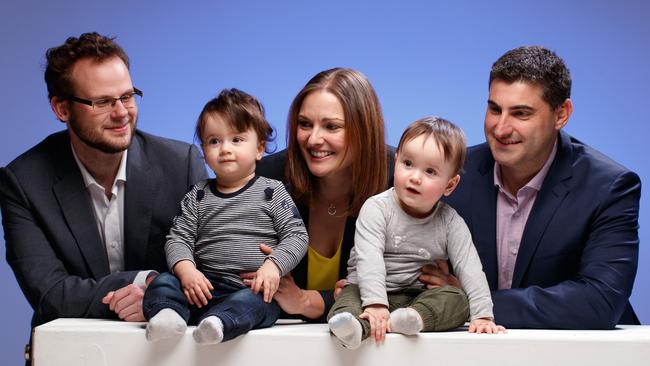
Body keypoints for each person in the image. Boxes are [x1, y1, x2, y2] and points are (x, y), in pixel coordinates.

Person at [0, 32, 207, 360]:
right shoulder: (23, 182)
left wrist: (159, 299)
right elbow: (51, 294)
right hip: (73, 354)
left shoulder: (181, 165)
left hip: (167, 355)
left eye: (128, 96)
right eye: (102, 102)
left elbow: (210, 271)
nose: (122, 113)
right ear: (61, 108)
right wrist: (148, 282)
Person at [439, 46, 641, 329]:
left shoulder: (609, 187)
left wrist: (471, 300)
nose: (501, 128)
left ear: (561, 114)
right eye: (495, 109)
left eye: (521, 113)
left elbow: (600, 300)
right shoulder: (452, 174)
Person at [143, 88, 308, 344]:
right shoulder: (198, 194)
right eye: (214, 141)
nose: (225, 149)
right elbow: (178, 239)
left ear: (259, 148)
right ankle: (168, 315)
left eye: (237, 139)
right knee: (163, 281)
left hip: (248, 289)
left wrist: (273, 266)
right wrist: (186, 271)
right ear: (204, 150)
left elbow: (296, 236)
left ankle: (219, 324)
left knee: (261, 304)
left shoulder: (271, 192)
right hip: (201, 289)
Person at [327, 117, 505, 349]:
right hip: (366, 289)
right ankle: (354, 329)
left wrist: (483, 315)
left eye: (430, 171)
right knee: (346, 303)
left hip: (416, 294)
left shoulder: (450, 222)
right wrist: (376, 303)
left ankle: (413, 319)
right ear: (396, 160)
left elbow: (469, 267)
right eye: (408, 164)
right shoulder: (377, 208)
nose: (415, 177)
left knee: (457, 299)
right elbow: (368, 258)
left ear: (450, 185)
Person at [252, 67, 394, 321]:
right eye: (305, 124)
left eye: (331, 127)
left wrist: (307, 301)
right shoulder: (265, 179)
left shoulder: (398, 181)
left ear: (364, 131)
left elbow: (402, 289)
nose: (313, 139)